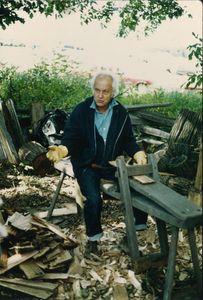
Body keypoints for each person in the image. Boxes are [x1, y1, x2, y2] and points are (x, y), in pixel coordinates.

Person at [47, 71, 148, 256]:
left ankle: (130, 238)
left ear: (113, 93)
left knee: (139, 192)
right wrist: (62, 150)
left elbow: (128, 139)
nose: (100, 96)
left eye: (105, 91)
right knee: (93, 200)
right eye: (97, 90)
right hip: (87, 166)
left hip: (111, 166)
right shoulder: (82, 110)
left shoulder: (120, 112)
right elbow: (71, 137)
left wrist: (138, 152)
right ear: (93, 90)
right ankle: (93, 241)